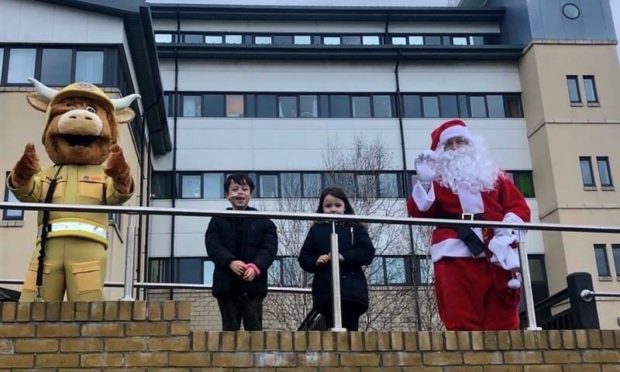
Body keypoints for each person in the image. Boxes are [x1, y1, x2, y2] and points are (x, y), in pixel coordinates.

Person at [407, 119, 530, 331]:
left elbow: (518, 207)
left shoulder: (495, 177)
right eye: (449, 144)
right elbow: (418, 213)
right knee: (460, 316)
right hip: (454, 254)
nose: (456, 148)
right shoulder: (438, 181)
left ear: (471, 144)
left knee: (503, 320)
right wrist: (425, 183)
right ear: (441, 150)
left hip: (495, 252)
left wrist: (506, 230)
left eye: (460, 141)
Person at [205, 173, 277, 331]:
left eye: (245, 189)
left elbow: (269, 249)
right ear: (227, 194)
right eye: (235, 189)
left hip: (254, 285)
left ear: (250, 194)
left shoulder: (264, 221)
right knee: (230, 331)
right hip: (226, 285)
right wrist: (230, 261)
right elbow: (212, 246)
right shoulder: (217, 220)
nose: (240, 193)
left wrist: (255, 267)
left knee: (255, 330)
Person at [298, 187, 375, 331]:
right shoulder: (316, 230)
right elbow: (304, 258)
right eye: (328, 206)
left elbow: (367, 252)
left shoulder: (356, 228)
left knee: (351, 330)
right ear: (322, 209)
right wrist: (316, 261)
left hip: (352, 291)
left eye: (337, 205)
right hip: (326, 291)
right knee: (330, 328)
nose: (333, 209)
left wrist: (344, 256)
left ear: (345, 207)